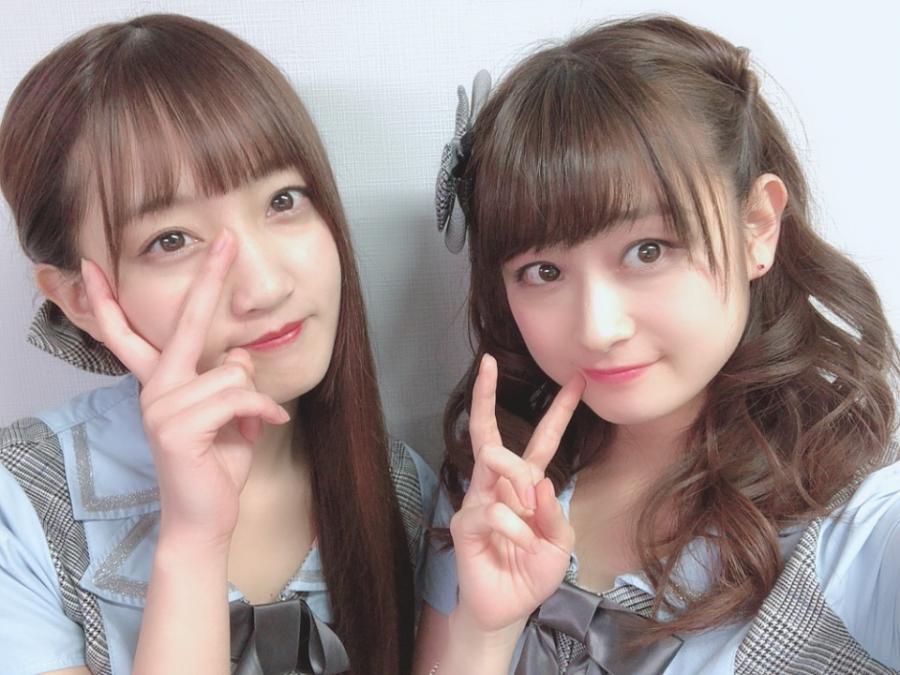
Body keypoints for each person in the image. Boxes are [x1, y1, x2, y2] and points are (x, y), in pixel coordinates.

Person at [414, 14, 900, 675]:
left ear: (758, 226)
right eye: (544, 271)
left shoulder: (853, 525)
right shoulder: (496, 483)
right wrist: (482, 630)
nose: (598, 327)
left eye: (648, 250)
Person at [0, 14, 435, 675]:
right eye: (171, 239)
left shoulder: (403, 491)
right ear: (81, 298)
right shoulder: (23, 508)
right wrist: (192, 541)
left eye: (283, 200)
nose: (265, 286)